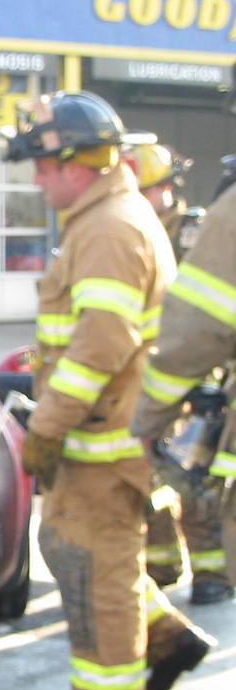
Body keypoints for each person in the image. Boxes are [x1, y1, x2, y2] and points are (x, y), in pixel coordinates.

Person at [1, 91, 213, 690]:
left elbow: (100, 346)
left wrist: (46, 426)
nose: (37, 180)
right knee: (78, 555)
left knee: (100, 578)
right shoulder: (100, 221)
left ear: (79, 164)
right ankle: (165, 639)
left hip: (105, 446)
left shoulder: (109, 230)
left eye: (44, 166)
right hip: (97, 439)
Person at [129, 142, 232, 603]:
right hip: (150, 368)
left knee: (197, 480)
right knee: (148, 474)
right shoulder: (128, 233)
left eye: (149, 190)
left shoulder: (197, 231)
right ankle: (162, 562)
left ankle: (212, 574)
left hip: (195, 372)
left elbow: (204, 317)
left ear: (168, 189)